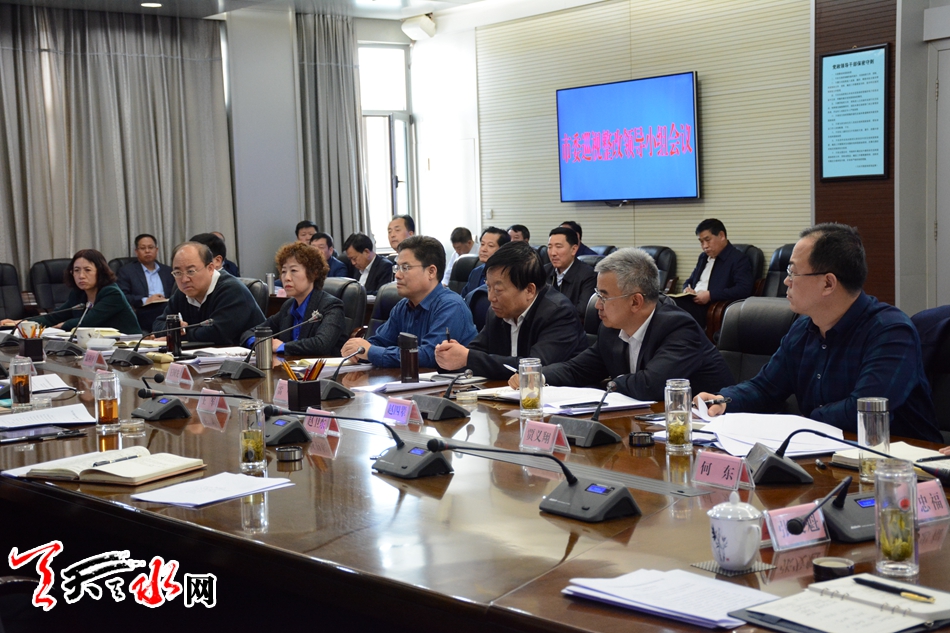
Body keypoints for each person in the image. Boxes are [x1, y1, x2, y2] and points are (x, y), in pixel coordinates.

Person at [697, 223, 942, 442]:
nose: (786, 281)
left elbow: (863, 410)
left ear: (828, 283)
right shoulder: (803, 328)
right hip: (823, 453)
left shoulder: (891, 332)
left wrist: (802, 422)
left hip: (901, 463)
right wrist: (723, 401)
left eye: (793, 272)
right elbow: (765, 388)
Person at [510, 248, 733, 401]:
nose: (597, 305)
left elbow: (651, 385)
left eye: (604, 296)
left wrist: (610, 385)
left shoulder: (679, 328)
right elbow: (578, 369)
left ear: (635, 301)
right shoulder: (610, 328)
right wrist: (538, 376)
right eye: (597, 294)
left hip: (705, 429)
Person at [435, 242, 588, 380]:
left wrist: (467, 358)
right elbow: (476, 352)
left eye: (498, 290)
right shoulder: (496, 312)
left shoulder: (558, 313)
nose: (490, 297)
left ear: (529, 290)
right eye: (488, 287)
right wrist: (451, 356)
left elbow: (533, 368)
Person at [342, 235, 477, 368]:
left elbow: (430, 355)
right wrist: (357, 350)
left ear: (431, 272)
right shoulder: (402, 306)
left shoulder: (451, 306)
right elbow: (380, 342)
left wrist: (371, 352)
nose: (397, 275)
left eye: (405, 268)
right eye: (397, 268)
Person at [241, 242, 347, 357]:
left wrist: (282, 347)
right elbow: (250, 333)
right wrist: (259, 343)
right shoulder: (288, 306)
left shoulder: (331, 306)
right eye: (283, 271)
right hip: (289, 366)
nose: (286, 278)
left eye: (293, 271)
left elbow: (321, 344)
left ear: (314, 274)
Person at [152, 242, 266, 346]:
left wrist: (177, 335)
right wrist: (175, 327)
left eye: (191, 271)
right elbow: (158, 324)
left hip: (248, 357)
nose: (184, 279)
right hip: (203, 357)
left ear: (210, 268)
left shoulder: (232, 290)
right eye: (177, 272)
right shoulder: (183, 292)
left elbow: (218, 333)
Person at [3, 249, 141, 334]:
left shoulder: (112, 293)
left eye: (87, 270)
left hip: (127, 346)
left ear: (100, 272)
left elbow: (87, 322)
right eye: (76, 270)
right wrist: (19, 322)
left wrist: (61, 326)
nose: (81, 276)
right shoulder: (78, 294)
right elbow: (53, 317)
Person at [675, 218, 754, 327]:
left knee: (669, 309)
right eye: (701, 242)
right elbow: (690, 280)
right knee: (662, 301)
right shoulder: (703, 257)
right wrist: (686, 289)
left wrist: (711, 295)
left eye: (708, 240)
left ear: (721, 236)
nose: (705, 246)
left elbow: (743, 289)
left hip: (710, 308)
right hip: (691, 302)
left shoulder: (738, 259)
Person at [116, 233, 175, 333]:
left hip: (168, 309)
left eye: (150, 247)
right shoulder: (127, 271)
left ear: (156, 250)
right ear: (136, 251)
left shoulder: (168, 271)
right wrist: (146, 300)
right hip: (144, 311)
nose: (147, 251)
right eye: (143, 248)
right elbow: (122, 296)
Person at [545, 226, 596, 320]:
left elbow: (582, 311)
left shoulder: (588, 275)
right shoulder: (544, 271)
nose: (553, 253)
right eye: (550, 247)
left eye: (558, 247)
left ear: (574, 249)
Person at [460, 227, 510, 296]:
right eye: (482, 244)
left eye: (490, 246)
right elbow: (464, 298)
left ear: (503, 249)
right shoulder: (476, 272)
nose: (483, 249)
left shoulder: (509, 275)